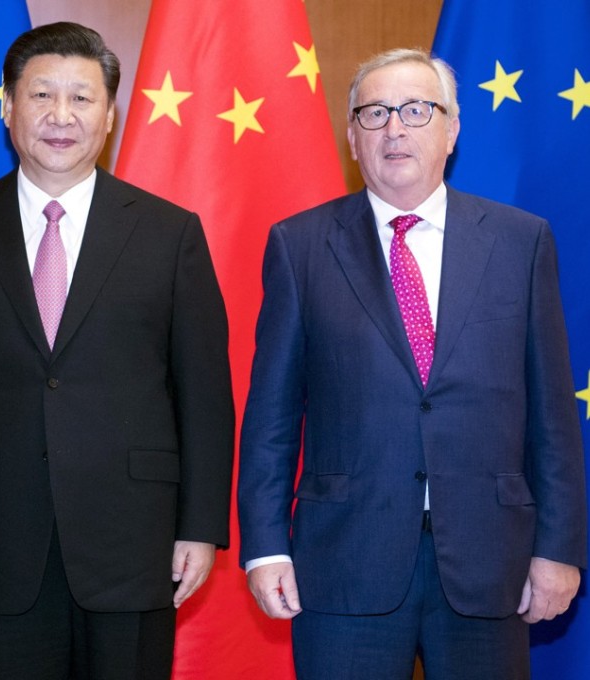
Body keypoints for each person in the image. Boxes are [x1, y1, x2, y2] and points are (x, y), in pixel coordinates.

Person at [237, 47, 587, 679]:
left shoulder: (520, 241)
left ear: (451, 131)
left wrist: (559, 548)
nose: (394, 128)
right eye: (374, 113)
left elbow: (552, 413)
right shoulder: (300, 245)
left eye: (416, 110)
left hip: (490, 562)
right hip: (343, 562)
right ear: (352, 138)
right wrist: (264, 549)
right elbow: (271, 417)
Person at [0, 22, 234, 679]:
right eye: (41, 95)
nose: (61, 116)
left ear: (109, 116)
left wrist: (199, 526)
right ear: (7, 108)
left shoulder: (170, 233)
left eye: (82, 98)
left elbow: (204, 394)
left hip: (134, 542)